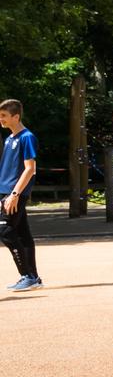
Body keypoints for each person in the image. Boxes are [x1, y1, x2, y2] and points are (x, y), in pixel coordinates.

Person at [0, 98, 40, 292]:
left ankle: (27, 276)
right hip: (5, 193)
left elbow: (30, 169)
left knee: (5, 231)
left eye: (4, 116)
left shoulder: (27, 137)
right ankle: (33, 277)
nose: (1, 119)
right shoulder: (9, 139)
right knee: (23, 235)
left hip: (14, 194)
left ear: (16, 117)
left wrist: (15, 194)